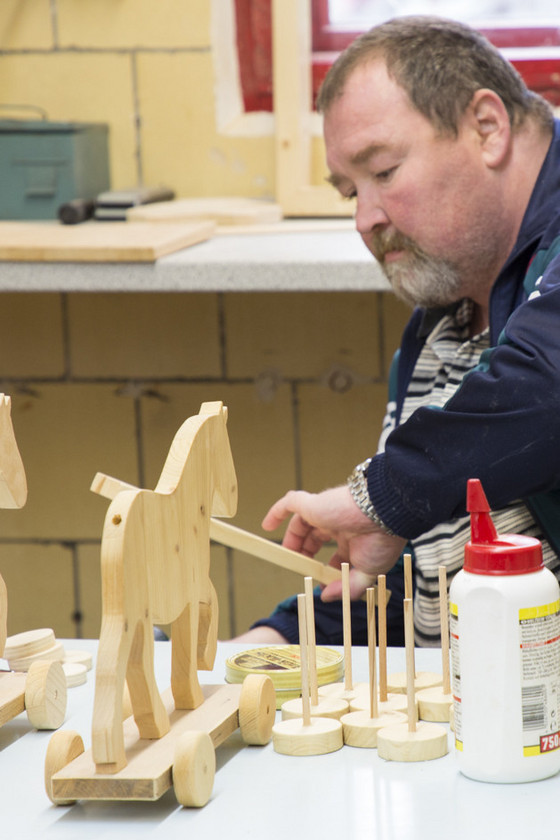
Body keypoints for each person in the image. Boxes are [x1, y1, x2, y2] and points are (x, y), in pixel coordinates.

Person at [233, 15, 560, 647]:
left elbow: (545, 388)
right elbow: (423, 566)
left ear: (487, 127)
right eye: (348, 192)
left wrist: (381, 496)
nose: (364, 219)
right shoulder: (448, 317)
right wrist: (283, 638)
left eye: (382, 173)